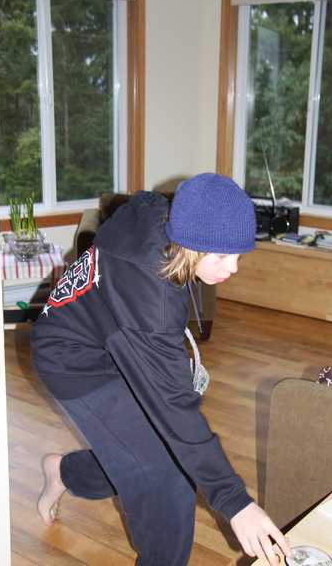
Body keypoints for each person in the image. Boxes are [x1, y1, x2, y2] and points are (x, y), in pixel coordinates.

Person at [31, 173, 291, 566]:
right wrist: (236, 503)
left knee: (146, 451)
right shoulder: (152, 301)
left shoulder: (161, 218)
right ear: (189, 243)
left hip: (108, 336)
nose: (233, 268)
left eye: (239, 255)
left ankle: (64, 472)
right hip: (71, 360)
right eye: (222, 257)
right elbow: (175, 413)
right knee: (166, 478)